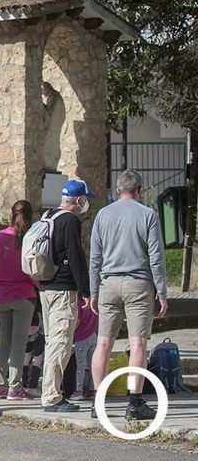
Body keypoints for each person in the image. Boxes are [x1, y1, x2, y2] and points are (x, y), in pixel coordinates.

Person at [89, 170, 168, 420]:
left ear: (118, 189)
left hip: (108, 284)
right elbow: (155, 257)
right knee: (138, 343)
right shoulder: (148, 215)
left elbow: (95, 258)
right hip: (138, 283)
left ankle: (97, 402)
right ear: (139, 190)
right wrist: (162, 292)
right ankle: (135, 403)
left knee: (103, 342)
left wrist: (93, 292)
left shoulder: (103, 214)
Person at [38, 179, 93, 413]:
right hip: (63, 291)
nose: (86, 204)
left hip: (46, 288)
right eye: (85, 200)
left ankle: (52, 392)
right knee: (60, 344)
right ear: (78, 200)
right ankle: (51, 397)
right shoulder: (70, 220)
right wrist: (87, 291)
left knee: (53, 343)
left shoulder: (47, 216)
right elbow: (76, 257)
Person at [0, 200, 37, 400]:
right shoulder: (29, 238)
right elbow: (33, 269)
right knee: (19, 343)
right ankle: (14, 388)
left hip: (1, 296)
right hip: (24, 295)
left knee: (4, 342)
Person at [71, 303, 97, 401]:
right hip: (93, 334)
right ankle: (92, 389)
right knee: (92, 364)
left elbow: (77, 321)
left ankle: (79, 390)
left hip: (81, 336)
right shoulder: (94, 302)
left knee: (80, 365)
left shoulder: (79, 303)